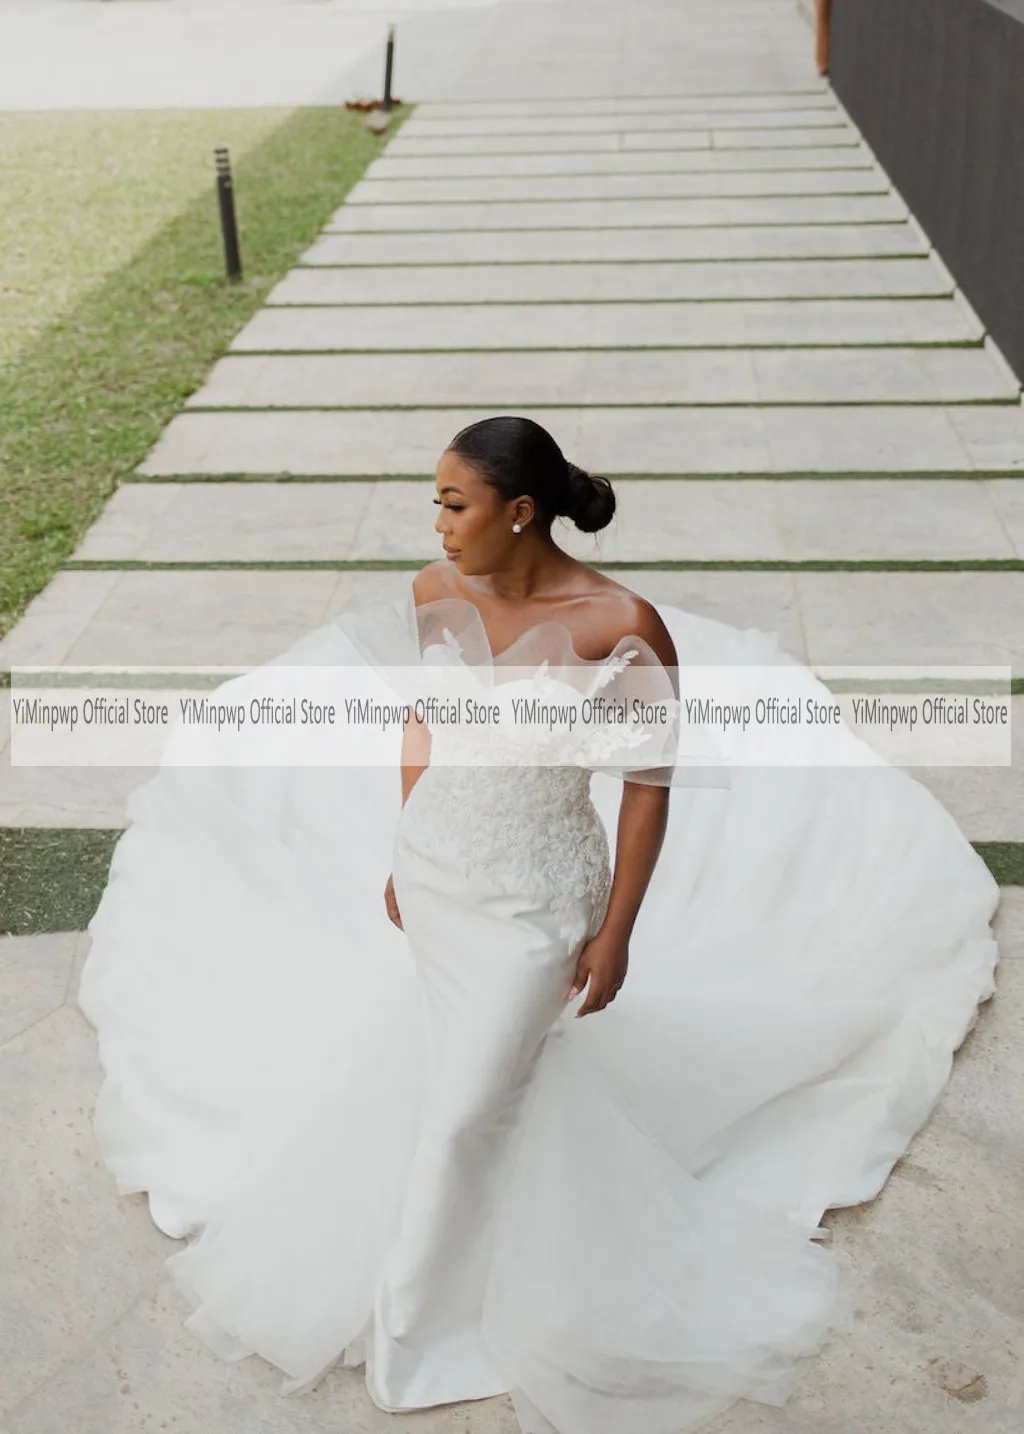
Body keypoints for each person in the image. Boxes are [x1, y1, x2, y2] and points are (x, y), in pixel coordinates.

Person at [79, 416, 1000, 1434]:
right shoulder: (435, 594)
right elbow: (423, 717)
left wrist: (615, 931)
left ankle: (418, 1336)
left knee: (471, 1100)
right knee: (465, 1083)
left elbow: (648, 786)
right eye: (434, 500)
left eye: (453, 504)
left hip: (538, 898)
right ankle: (466, 1263)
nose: (435, 524)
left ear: (519, 511)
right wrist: (403, 839)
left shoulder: (623, 624)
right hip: (438, 871)